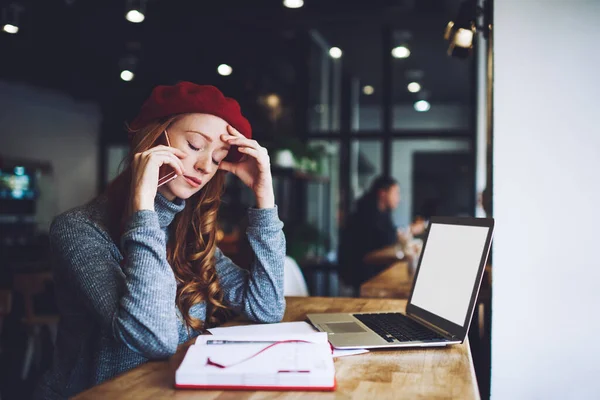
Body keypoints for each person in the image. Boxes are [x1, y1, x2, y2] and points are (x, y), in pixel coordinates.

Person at [34, 82, 286, 399]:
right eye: (195, 145)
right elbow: (155, 337)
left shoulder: (188, 231)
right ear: (153, 139)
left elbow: (267, 307)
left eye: (218, 156)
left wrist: (265, 197)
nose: (206, 165)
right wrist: (142, 208)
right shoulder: (78, 229)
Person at [338, 176, 402, 291]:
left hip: (373, 271)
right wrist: (399, 253)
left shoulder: (383, 214)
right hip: (362, 274)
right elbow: (366, 256)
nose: (398, 198)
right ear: (383, 193)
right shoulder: (366, 216)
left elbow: (388, 239)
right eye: (396, 193)